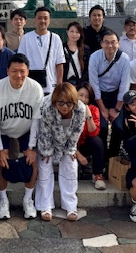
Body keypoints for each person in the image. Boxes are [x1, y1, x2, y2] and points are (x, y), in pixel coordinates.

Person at [0, 53, 44, 220]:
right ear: (7, 71)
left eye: (22, 71)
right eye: (14, 71)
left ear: (28, 71)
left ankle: (28, 199)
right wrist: (0, 149)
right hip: (4, 130)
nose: (18, 75)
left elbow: (36, 121)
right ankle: (3, 199)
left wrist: (31, 147)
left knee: (32, 160)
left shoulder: (35, 88)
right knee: (2, 160)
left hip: (26, 129)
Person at [35, 82, 86, 222]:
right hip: (48, 140)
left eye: (69, 104)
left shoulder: (81, 109)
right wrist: (47, 151)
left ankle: (70, 206)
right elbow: (45, 132)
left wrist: (70, 149)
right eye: (61, 103)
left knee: (71, 164)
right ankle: (45, 205)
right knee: (44, 164)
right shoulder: (47, 108)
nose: (64, 107)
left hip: (68, 141)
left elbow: (77, 131)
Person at [88, 29, 131, 160]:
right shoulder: (94, 57)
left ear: (118, 44)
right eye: (106, 42)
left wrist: (117, 109)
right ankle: (100, 156)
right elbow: (94, 84)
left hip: (116, 96)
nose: (110, 45)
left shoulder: (124, 59)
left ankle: (112, 157)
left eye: (113, 42)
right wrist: (103, 109)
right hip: (99, 96)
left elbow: (124, 86)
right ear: (101, 44)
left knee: (118, 128)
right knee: (101, 127)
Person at [18, 6, 65, 96]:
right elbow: (21, 62)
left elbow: (59, 63)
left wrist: (59, 86)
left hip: (51, 86)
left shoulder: (55, 38)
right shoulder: (26, 38)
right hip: (31, 85)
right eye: (39, 18)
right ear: (35, 20)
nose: (42, 21)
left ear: (49, 20)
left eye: (45, 18)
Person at [74, 82, 105, 190]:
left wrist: (88, 115)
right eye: (81, 95)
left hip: (84, 143)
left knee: (97, 141)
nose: (83, 99)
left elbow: (93, 132)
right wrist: (78, 155)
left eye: (87, 97)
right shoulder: (68, 108)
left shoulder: (93, 109)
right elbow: (64, 137)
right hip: (69, 145)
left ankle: (97, 174)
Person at [63, 21, 89, 85]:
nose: (74, 34)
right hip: (66, 84)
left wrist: (82, 83)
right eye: (72, 31)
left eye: (77, 32)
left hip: (80, 83)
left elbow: (87, 68)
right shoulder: (61, 48)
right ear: (67, 32)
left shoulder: (85, 49)